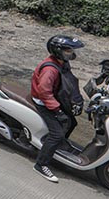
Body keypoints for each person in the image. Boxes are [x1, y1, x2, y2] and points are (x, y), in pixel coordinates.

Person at [30, 35, 85, 183]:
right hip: (43, 102)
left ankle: (55, 147)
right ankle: (41, 164)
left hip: (54, 99)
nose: (71, 53)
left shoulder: (63, 63)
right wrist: (57, 111)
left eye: (71, 50)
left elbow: (69, 83)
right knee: (56, 133)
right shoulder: (50, 69)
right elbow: (44, 92)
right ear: (57, 50)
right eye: (68, 50)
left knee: (72, 122)